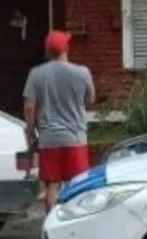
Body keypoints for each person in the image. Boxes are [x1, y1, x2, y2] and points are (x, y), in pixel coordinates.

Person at [22, 30, 96, 214]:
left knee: (51, 186)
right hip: (75, 138)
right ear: (66, 48)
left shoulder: (36, 74)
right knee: (78, 184)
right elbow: (91, 99)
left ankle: (51, 224)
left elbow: (29, 108)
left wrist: (31, 134)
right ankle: (76, 222)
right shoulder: (82, 72)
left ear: (48, 51)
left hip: (49, 139)